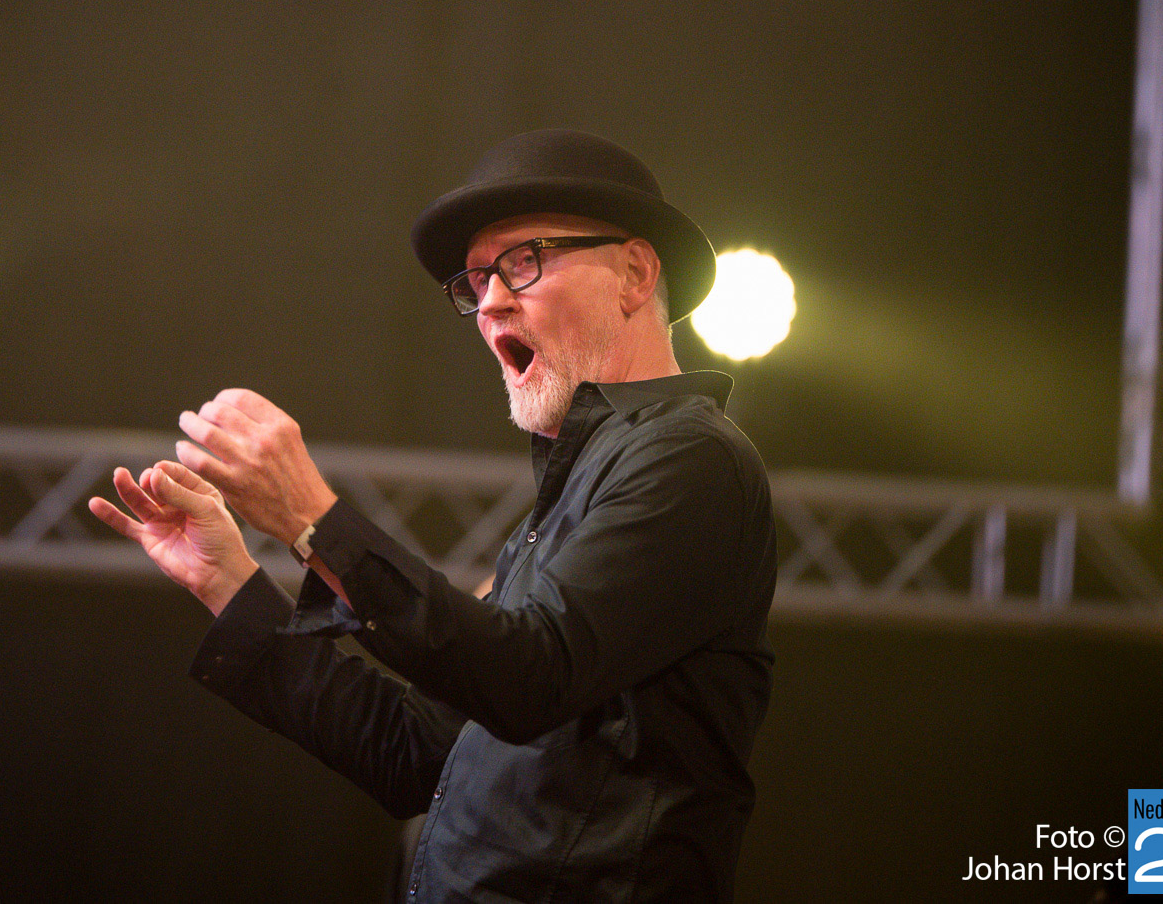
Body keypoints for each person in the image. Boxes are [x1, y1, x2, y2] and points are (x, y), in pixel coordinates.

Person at [91, 129, 777, 903]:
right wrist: (231, 584)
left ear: (634, 273)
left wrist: (314, 519)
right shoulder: (560, 511)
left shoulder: (693, 458)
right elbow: (412, 751)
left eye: (525, 259)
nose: (491, 302)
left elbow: (532, 676)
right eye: (476, 280)